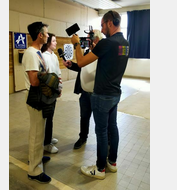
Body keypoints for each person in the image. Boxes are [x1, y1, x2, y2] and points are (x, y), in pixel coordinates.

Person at [70, 11, 129, 180]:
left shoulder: (107, 43)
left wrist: (76, 45)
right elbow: (109, 60)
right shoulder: (125, 43)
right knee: (113, 128)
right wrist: (98, 47)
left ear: (110, 23)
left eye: (103, 25)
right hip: (115, 94)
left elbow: (81, 62)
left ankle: (100, 168)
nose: (101, 30)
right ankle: (112, 162)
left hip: (102, 95)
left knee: (102, 133)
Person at [22, 21, 52, 183]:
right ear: (40, 35)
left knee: (39, 131)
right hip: (35, 97)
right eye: (46, 33)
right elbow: (34, 81)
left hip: (41, 96)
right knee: (36, 133)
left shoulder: (38, 52)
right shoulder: (32, 53)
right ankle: (34, 170)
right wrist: (51, 81)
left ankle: (37, 157)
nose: (48, 35)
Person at [62, 30, 103, 149]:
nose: (88, 42)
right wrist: (72, 65)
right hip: (85, 93)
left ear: (97, 40)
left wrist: (77, 45)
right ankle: (82, 137)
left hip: (97, 94)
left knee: (99, 121)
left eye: (91, 39)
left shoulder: (101, 55)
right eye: (88, 39)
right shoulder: (86, 53)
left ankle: (102, 142)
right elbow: (82, 66)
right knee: (84, 117)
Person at [41, 33, 62, 153]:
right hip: (47, 91)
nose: (56, 43)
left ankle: (48, 137)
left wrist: (60, 87)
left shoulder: (54, 56)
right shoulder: (43, 56)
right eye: (54, 41)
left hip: (54, 90)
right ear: (48, 43)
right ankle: (46, 143)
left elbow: (58, 71)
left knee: (51, 116)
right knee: (47, 117)